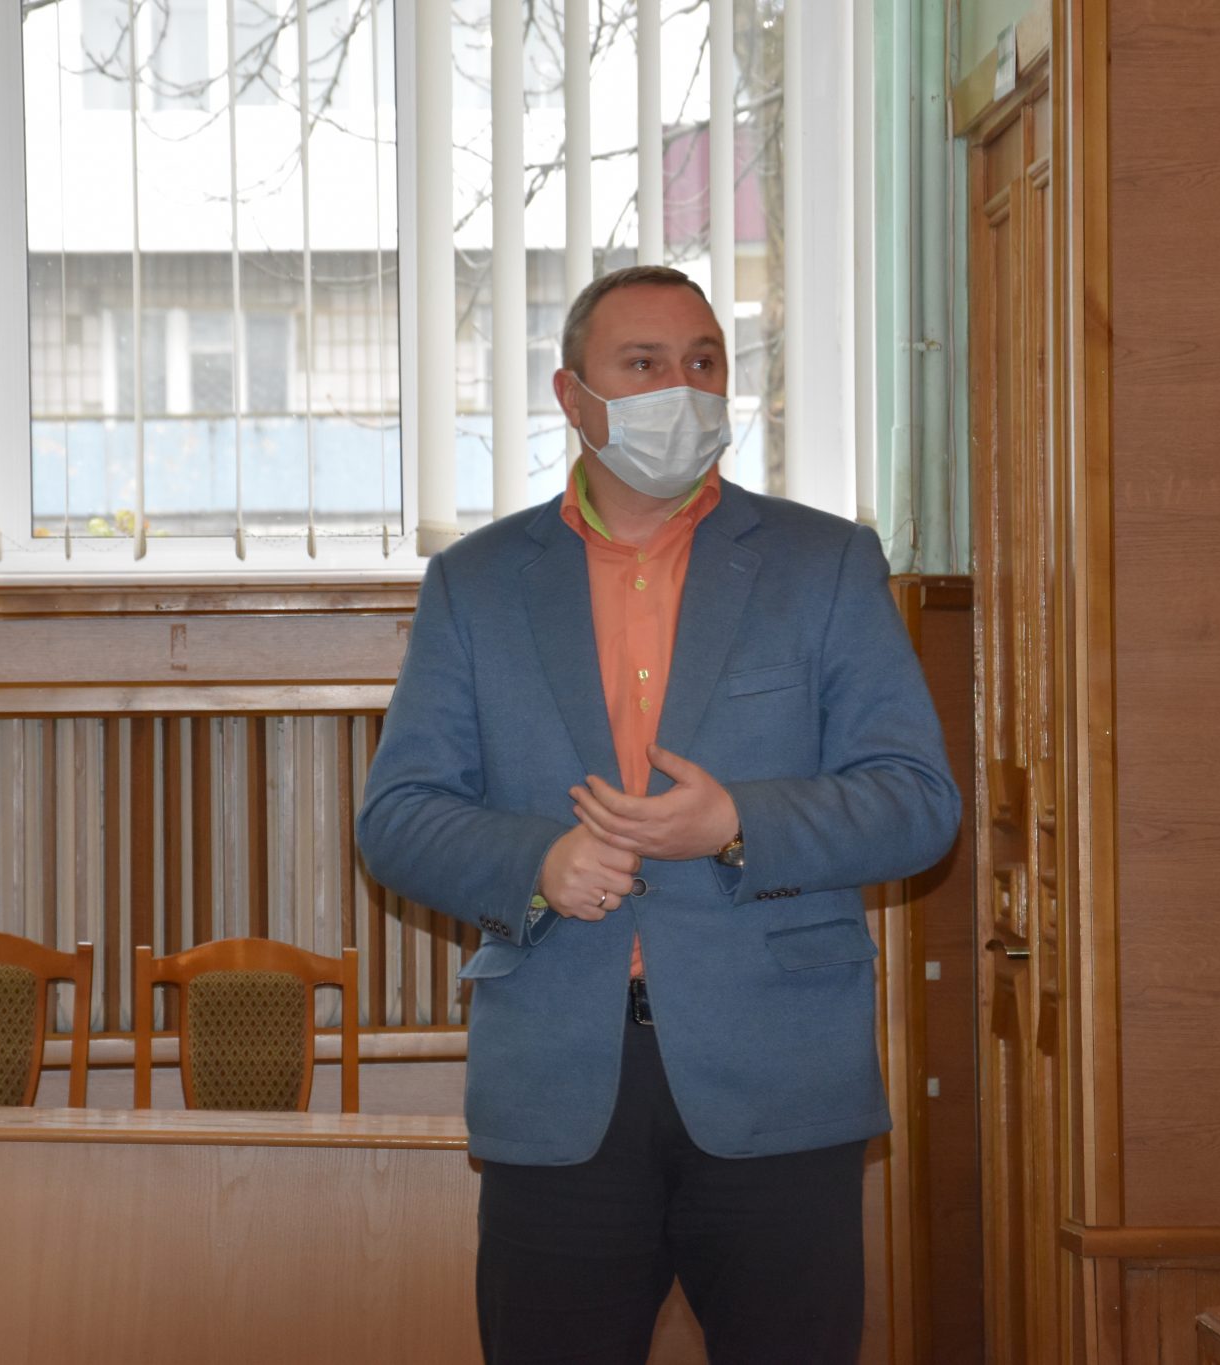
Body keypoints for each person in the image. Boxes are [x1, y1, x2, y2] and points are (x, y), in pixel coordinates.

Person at [356, 264, 960, 1365]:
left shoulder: (824, 563)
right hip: (559, 1080)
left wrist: (735, 823)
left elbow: (917, 803)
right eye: (642, 364)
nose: (680, 387)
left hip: (779, 1073)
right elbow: (397, 816)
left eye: (702, 362)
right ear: (572, 396)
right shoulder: (475, 583)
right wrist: (539, 863)